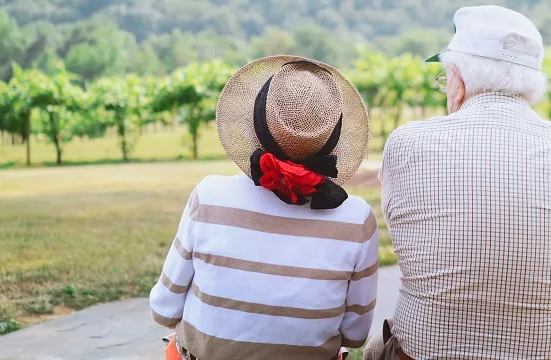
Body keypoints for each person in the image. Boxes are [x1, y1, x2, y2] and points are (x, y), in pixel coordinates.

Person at [366, 5, 551, 360]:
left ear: (458, 80)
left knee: (374, 348)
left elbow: (404, 235)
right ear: (532, 84)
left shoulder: (407, 143)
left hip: (422, 355)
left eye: (444, 78)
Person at [149, 55, 380, 360]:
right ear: (332, 137)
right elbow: (355, 335)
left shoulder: (209, 196)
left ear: (255, 124)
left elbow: (164, 309)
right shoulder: (357, 219)